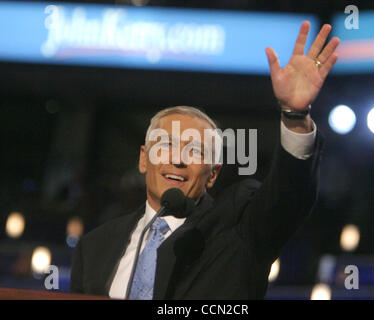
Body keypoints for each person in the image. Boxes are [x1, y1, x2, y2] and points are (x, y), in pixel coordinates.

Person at [70, 21, 339, 299]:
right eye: (166, 145)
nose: (178, 160)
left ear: (213, 174)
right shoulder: (94, 246)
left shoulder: (239, 229)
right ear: (143, 159)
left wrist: (294, 115)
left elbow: (286, 200)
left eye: (195, 151)